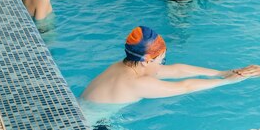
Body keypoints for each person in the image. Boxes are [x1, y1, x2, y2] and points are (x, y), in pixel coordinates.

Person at [81, 26, 243, 104]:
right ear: (146, 60)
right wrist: (226, 81)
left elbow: (176, 70)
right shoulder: (138, 83)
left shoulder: (125, 66)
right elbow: (185, 87)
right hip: (94, 129)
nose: (162, 65)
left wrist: (219, 73)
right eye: (161, 60)